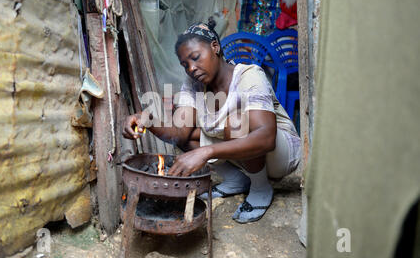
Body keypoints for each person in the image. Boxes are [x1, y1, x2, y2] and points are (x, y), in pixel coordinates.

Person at [122, 18, 301, 223]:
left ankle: (260, 188)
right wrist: (145, 119)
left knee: (235, 123)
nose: (191, 68)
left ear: (215, 47)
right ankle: (236, 180)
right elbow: (178, 132)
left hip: (280, 154)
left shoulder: (249, 76)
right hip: (246, 152)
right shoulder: (193, 85)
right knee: (187, 135)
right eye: (185, 64)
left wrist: (205, 152)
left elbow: (267, 137)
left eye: (196, 57)